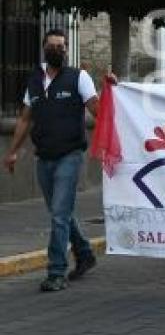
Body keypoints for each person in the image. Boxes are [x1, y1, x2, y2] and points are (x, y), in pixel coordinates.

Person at [2, 29, 103, 291]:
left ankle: (56, 272)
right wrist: (12, 151)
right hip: (43, 157)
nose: (58, 50)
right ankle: (84, 253)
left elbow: (98, 110)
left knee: (58, 215)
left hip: (70, 155)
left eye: (62, 47)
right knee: (61, 213)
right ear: (44, 49)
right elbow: (25, 118)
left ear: (67, 50)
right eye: (53, 46)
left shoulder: (79, 78)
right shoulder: (35, 81)